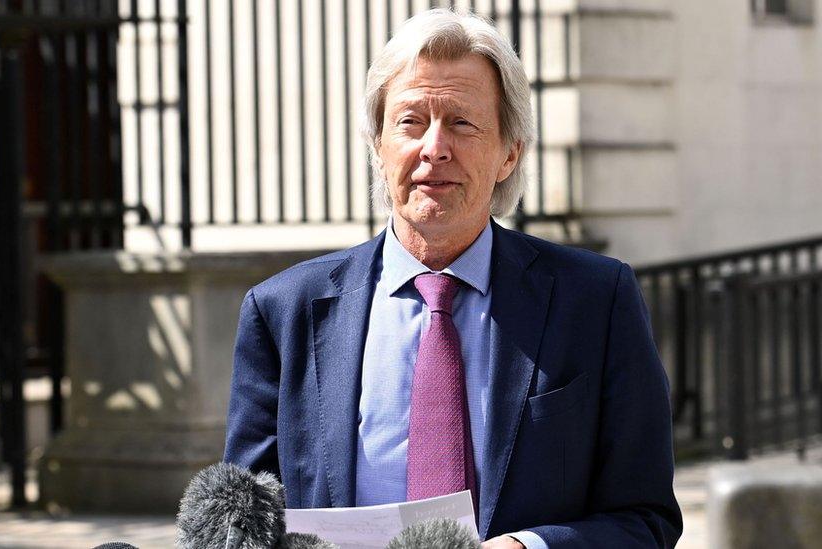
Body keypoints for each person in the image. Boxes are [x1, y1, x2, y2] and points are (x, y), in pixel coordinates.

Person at [224, 9, 682, 548]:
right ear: (378, 147)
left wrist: (529, 547)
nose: (434, 147)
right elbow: (243, 526)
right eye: (410, 121)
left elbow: (645, 517)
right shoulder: (283, 312)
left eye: (462, 123)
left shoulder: (595, 301)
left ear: (510, 153)